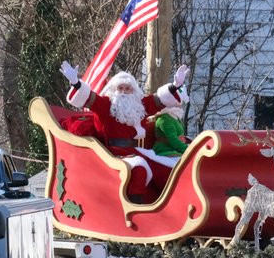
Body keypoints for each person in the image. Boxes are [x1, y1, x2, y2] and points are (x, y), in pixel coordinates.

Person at [60, 61, 188, 197]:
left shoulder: (139, 106)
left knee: (166, 168)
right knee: (139, 169)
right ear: (114, 90)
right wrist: (76, 83)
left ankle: (173, 202)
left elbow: (159, 99)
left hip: (137, 151)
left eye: (128, 88)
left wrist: (175, 86)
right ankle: (134, 208)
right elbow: (89, 98)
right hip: (114, 153)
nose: (124, 92)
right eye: (120, 88)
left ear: (133, 91)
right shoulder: (106, 105)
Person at [150, 64, 190, 166]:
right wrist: (189, 150)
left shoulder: (175, 117)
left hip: (176, 151)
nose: (181, 106)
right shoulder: (164, 119)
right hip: (166, 152)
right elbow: (173, 140)